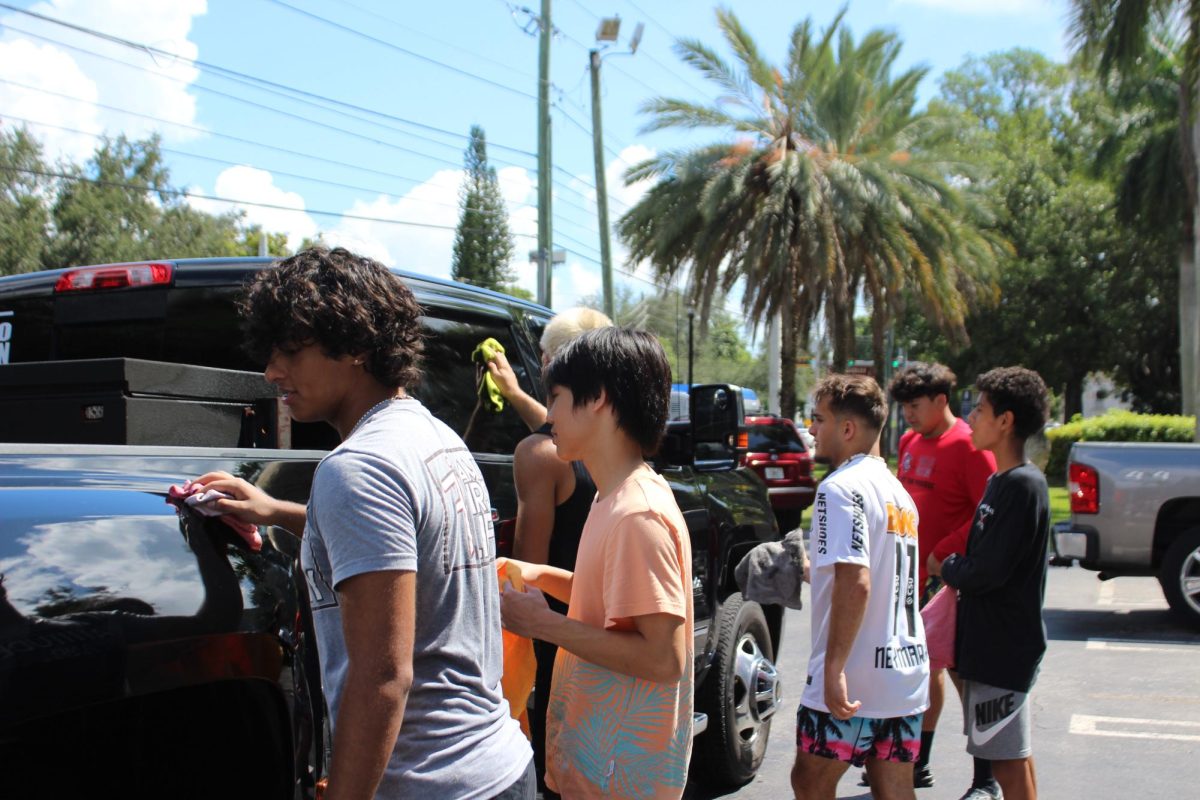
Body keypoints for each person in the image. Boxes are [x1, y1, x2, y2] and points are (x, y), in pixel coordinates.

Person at [189, 247, 532, 800]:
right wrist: (275, 511)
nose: (273, 371)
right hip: (498, 766)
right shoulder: (435, 438)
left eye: (292, 351)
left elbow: (382, 680)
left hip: (431, 784)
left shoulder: (358, 468)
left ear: (354, 347)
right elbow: (400, 547)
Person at [499, 328, 693, 800]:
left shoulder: (636, 513)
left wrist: (545, 625)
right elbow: (613, 600)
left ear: (599, 399)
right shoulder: (615, 496)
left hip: (619, 778)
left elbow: (663, 659)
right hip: (598, 769)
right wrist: (542, 577)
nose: (549, 417)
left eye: (558, 397)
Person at [485, 307, 612, 795]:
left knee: (555, 775)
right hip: (602, 625)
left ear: (552, 365)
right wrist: (518, 396)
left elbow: (524, 568)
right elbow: (562, 436)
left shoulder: (536, 455)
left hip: (552, 638)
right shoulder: (611, 452)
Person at [791, 374, 928, 800]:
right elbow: (873, 572)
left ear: (847, 428)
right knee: (895, 791)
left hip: (856, 678)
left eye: (818, 419)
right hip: (903, 675)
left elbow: (858, 581)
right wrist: (814, 570)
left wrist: (833, 670)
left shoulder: (838, 488)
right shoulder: (897, 492)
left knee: (810, 782)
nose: (811, 429)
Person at [930, 367, 1051, 800]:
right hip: (992, 645)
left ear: (1006, 421)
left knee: (1006, 763)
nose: (971, 419)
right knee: (1012, 756)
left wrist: (948, 568)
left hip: (1005, 647)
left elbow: (989, 572)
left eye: (979, 410)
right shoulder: (1002, 482)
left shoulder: (1022, 486)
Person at [887, 363, 998, 799]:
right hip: (911, 576)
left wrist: (944, 552)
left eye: (915, 406)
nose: (908, 415)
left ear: (940, 401)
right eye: (904, 407)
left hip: (950, 579)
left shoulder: (970, 447)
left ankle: (985, 777)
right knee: (920, 668)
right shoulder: (910, 441)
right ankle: (918, 762)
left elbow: (989, 512)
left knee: (962, 673)